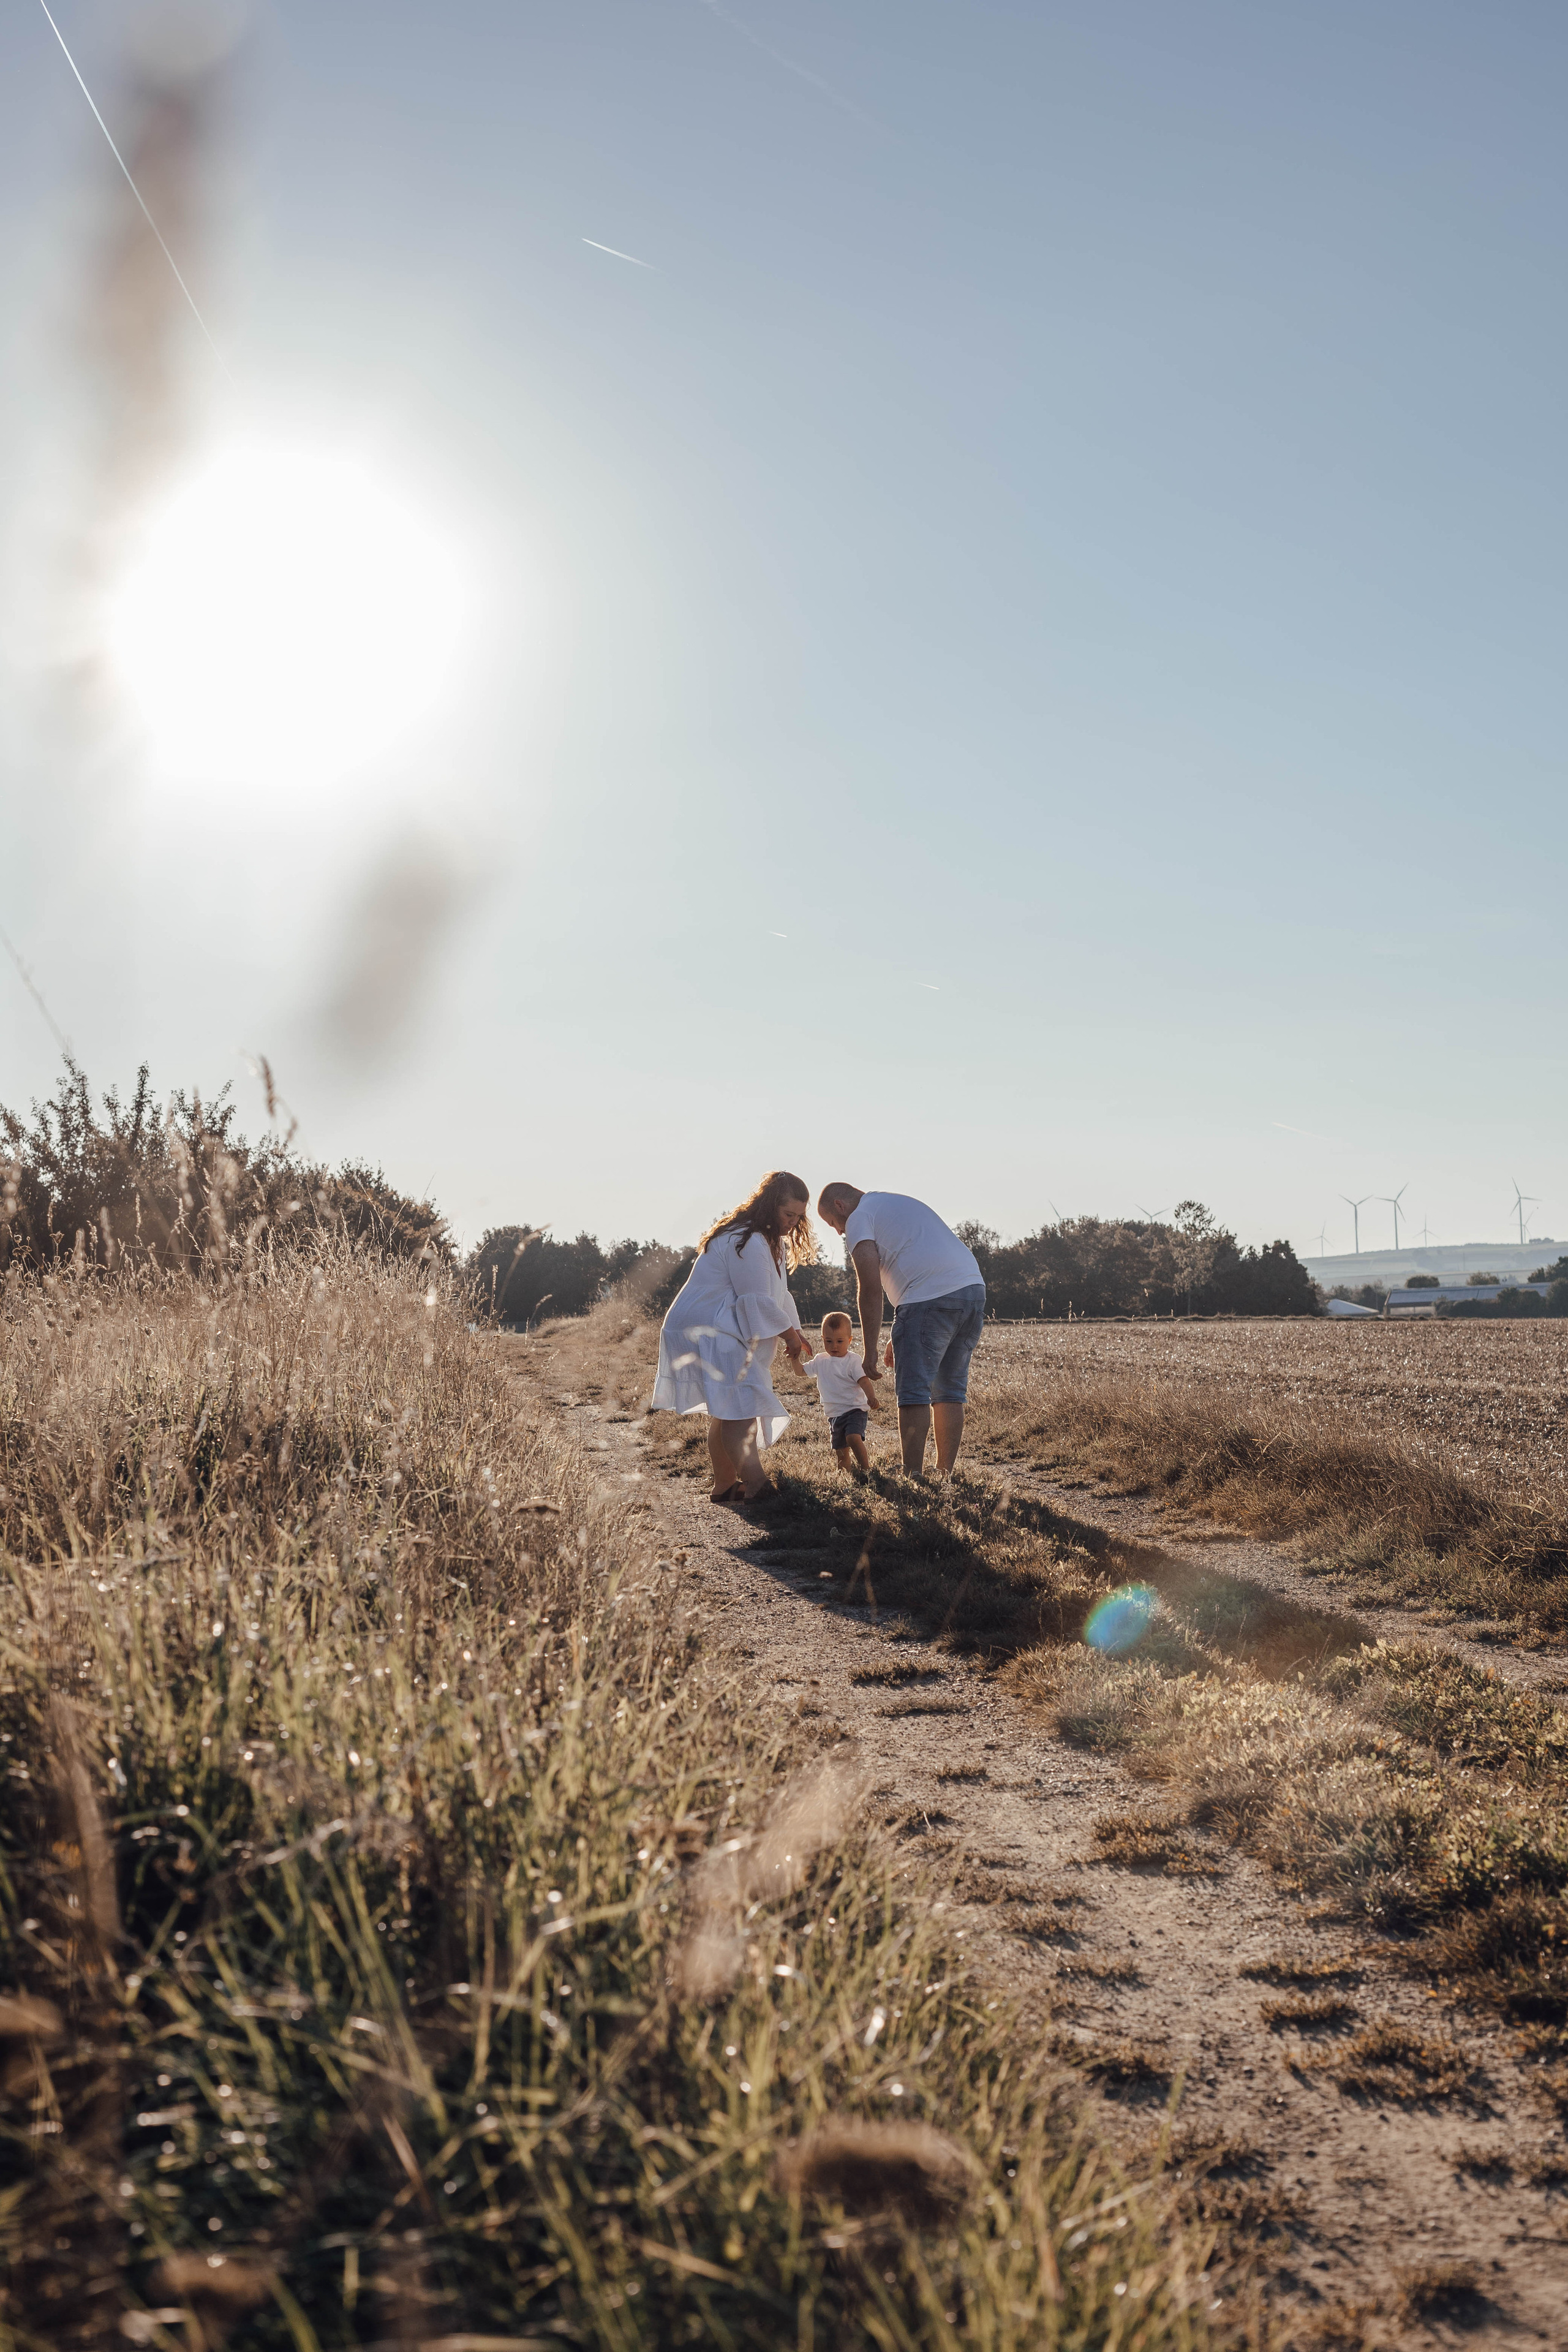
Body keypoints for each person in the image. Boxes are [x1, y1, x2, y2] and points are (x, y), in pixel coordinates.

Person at [652, 1170, 815, 1503]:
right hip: (706, 1326)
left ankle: (725, 1486)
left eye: (799, 1217)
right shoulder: (748, 1239)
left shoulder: (768, 1239)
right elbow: (755, 1300)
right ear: (770, 1205)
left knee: (729, 1406)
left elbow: (777, 1294)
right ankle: (758, 1487)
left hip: (716, 1323)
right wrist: (788, 1337)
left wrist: (795, 1331)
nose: (793, 1223)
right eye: (788, 1214)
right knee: (741, 1404)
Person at [815, 1184, 985, 1477]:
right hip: (972, 1290)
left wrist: (870, 1350)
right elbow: (917, 1257)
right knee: (949, 1390)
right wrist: (903, 1328)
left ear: (840, 1205)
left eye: (833, 1223)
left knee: (913, 1392)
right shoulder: (893, 1203)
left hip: (926, 1299)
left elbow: (870, 1288)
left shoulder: (858, 1218)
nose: (840, 1232)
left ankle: (912, 1473)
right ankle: (943, 1473)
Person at [799, 1310, 880, 1472]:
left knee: (853, 1437)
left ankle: (867, 1470)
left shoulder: (853, 1360)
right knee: (841, 1450)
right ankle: (845, 1474)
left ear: (849, 1340)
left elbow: (864, 1381)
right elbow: (800, 1372)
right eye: (829, 1341)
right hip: (835, 1413)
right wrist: (795, 1357)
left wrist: (871, 1397)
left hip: (855, 1409)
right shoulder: (820, 1360)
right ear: (822, 1339)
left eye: (840, 1341)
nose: (834, 1346)